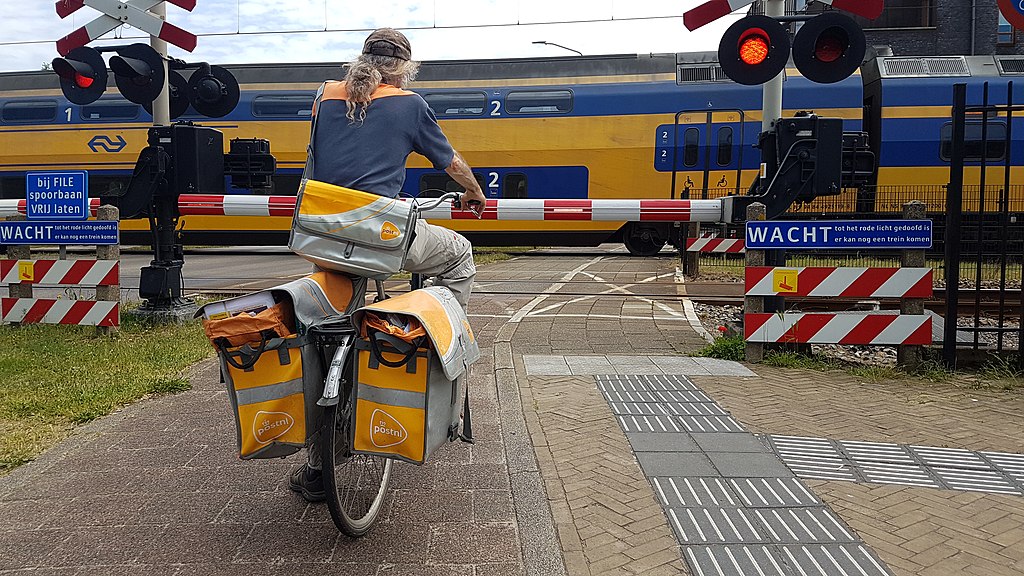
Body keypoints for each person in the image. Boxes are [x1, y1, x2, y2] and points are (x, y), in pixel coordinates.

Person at [289, 27, 487, 503]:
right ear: (405, 68)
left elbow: (316, 163)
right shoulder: (410, 103)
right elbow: (451, 163)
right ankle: (434, 340)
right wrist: (474, 193)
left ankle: (319, 469)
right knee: (458, 252)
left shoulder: (324, 97)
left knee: (329, 333)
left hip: (323, 234)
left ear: (360, 60)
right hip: (380, 236)